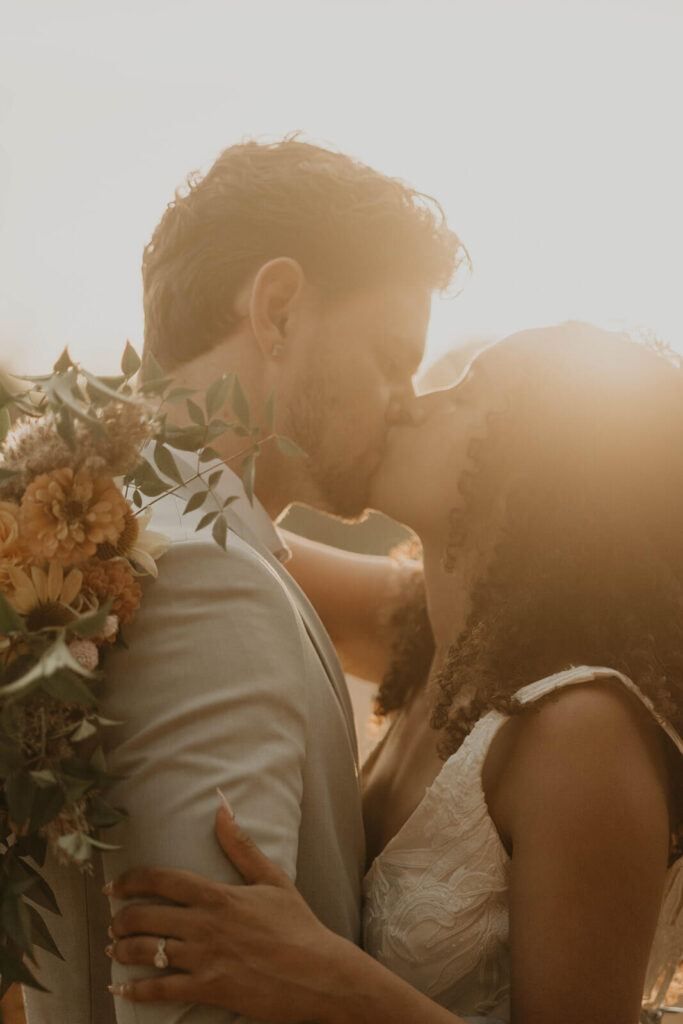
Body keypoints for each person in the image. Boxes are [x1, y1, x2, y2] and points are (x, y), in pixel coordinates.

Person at [107, 322, 683, 1024]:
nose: (409, 403)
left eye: (466, 396)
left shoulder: (582, 732)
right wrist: (63, 482)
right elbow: (191, 528)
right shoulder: (434, 635)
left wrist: (326, 980)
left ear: (547, 466)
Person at [21, 138, 465, 1024]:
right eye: (390, 356)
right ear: (279, 309)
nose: (405, 399)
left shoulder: (104, 535)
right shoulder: (204, 580)